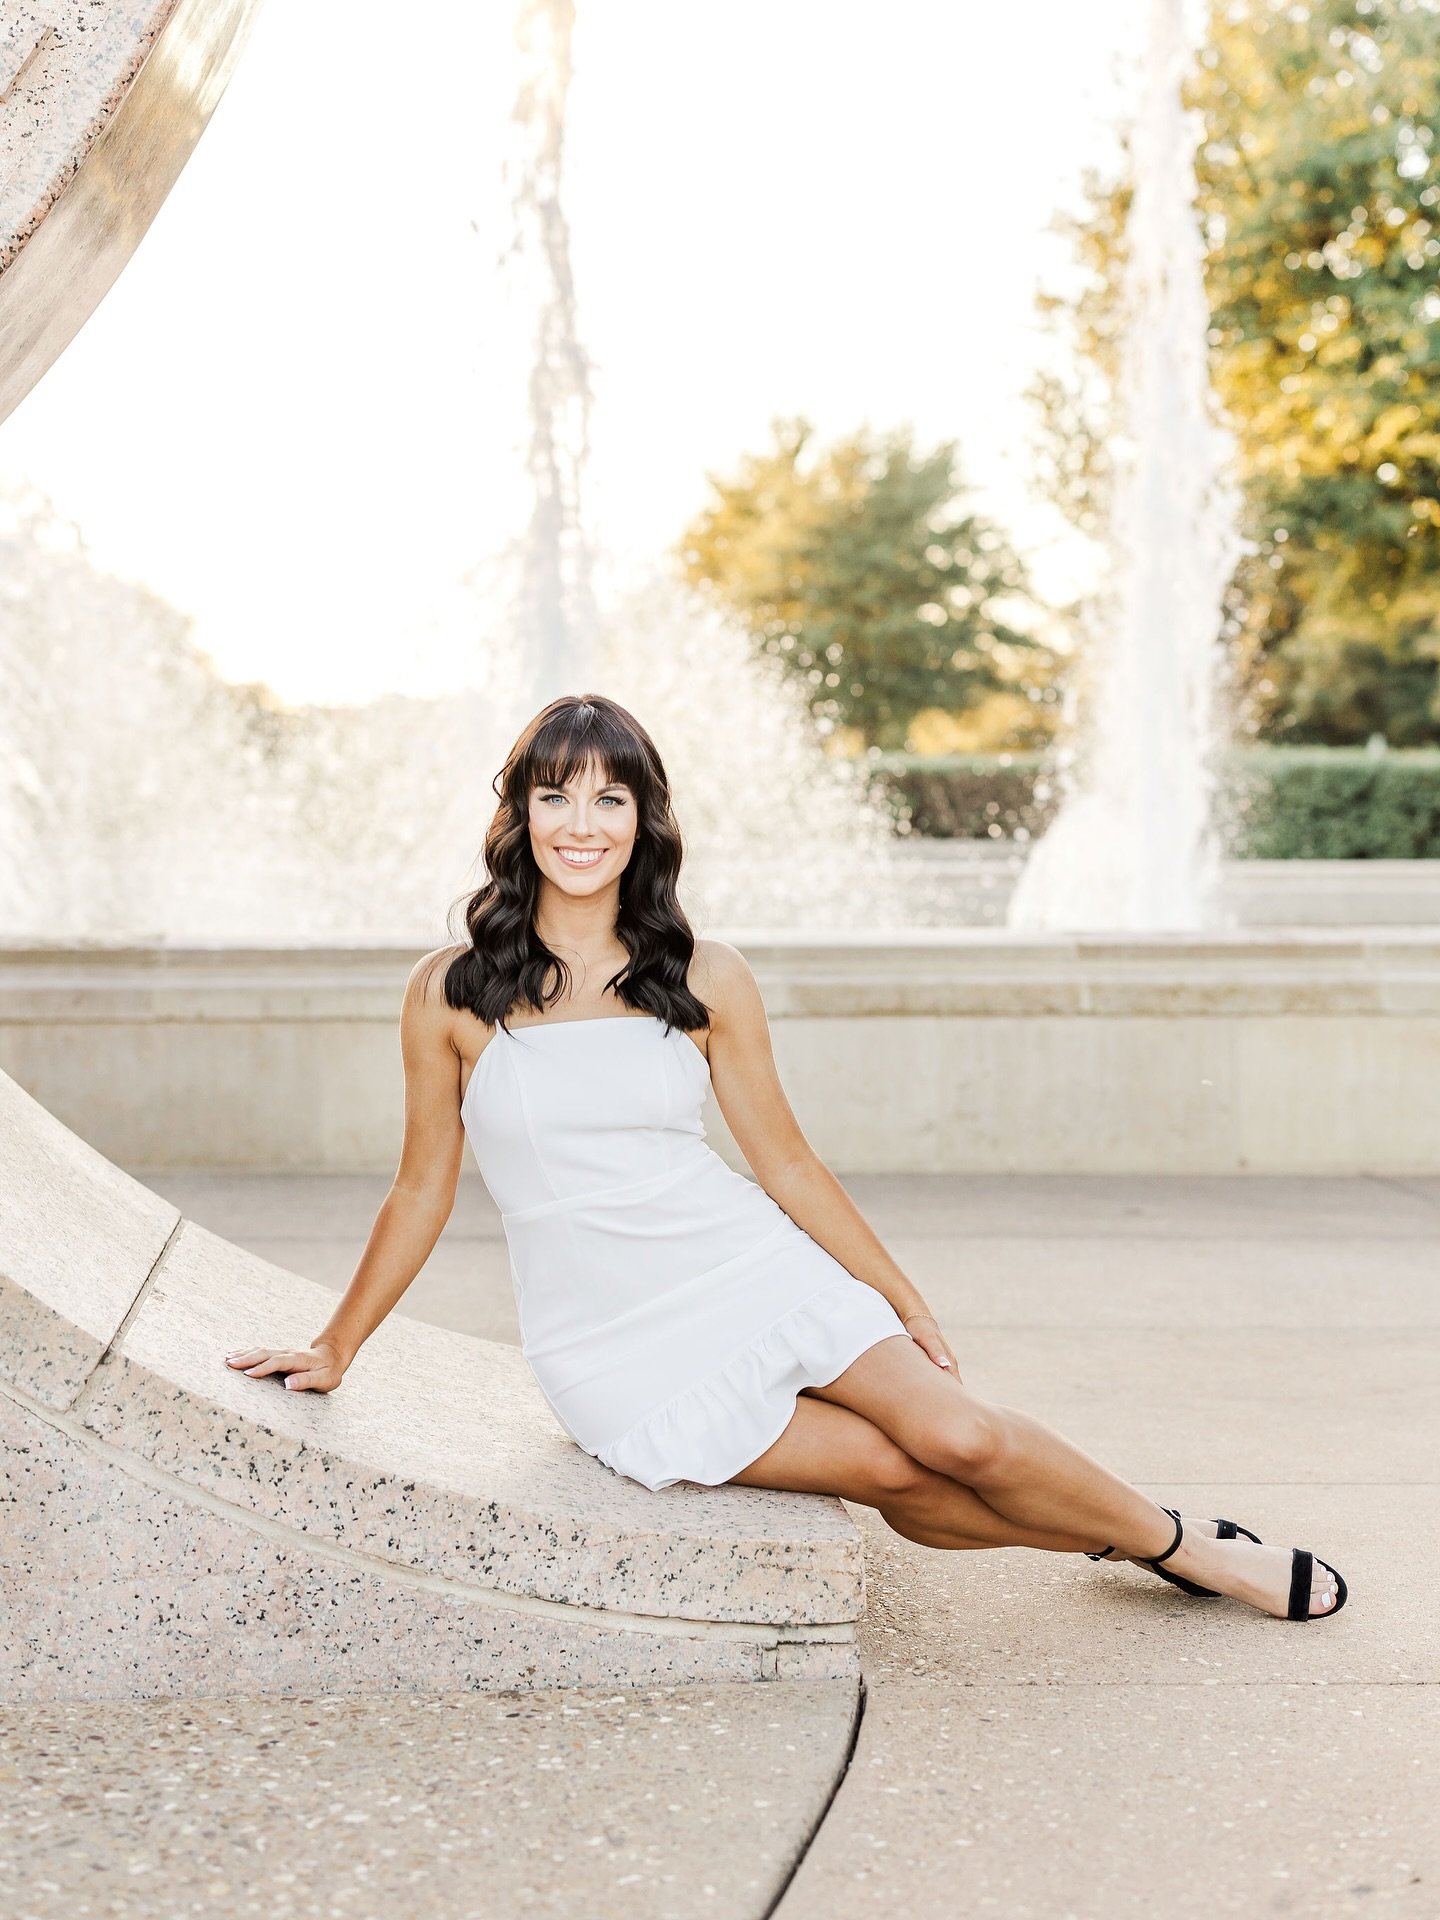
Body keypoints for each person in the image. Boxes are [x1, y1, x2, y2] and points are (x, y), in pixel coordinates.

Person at [225, 693, 1346, 1624]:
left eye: (609, 797)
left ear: (642, 818)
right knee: (894, 1474)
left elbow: (790, 1166)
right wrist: (337, 1346)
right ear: (518, 814)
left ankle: (1180, 1544)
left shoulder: (705, 974)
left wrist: (896, 1293)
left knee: (953, 1430)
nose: (582, 822)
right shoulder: (450, 990)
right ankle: (1122, 1541)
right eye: (553, 793)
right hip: (610, 1341)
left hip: (745, 1266)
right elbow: (422, 1185)